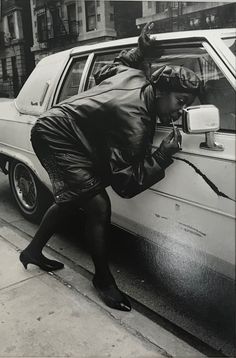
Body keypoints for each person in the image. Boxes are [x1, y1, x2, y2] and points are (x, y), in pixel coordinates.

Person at [19, 24, 201, 312]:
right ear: (162, 89)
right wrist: (164, 155)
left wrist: (140, 51)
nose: (180, 111)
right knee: (98, 205)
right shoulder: (136, 121)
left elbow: (112, 66)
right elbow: (126, 185)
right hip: (55, 135)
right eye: (180, 102)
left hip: (68, 131)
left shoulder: (136, 76)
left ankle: (31, 252)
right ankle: (102, 280)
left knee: (73, 199)